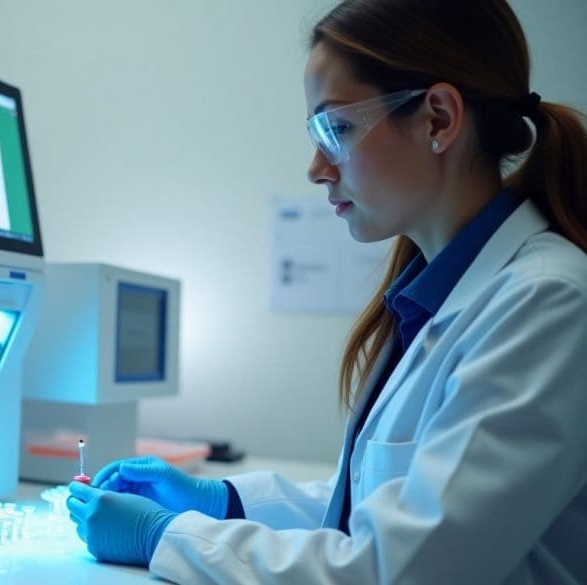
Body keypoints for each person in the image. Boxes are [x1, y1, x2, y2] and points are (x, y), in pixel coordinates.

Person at [66, 0, 587, 582]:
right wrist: (221, 502)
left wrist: (161, 535)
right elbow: (379, 506)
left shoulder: (548, 302)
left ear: (439, 119)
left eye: (335, 128)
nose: (316, 167)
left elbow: (402, 569)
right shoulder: (439, 295)